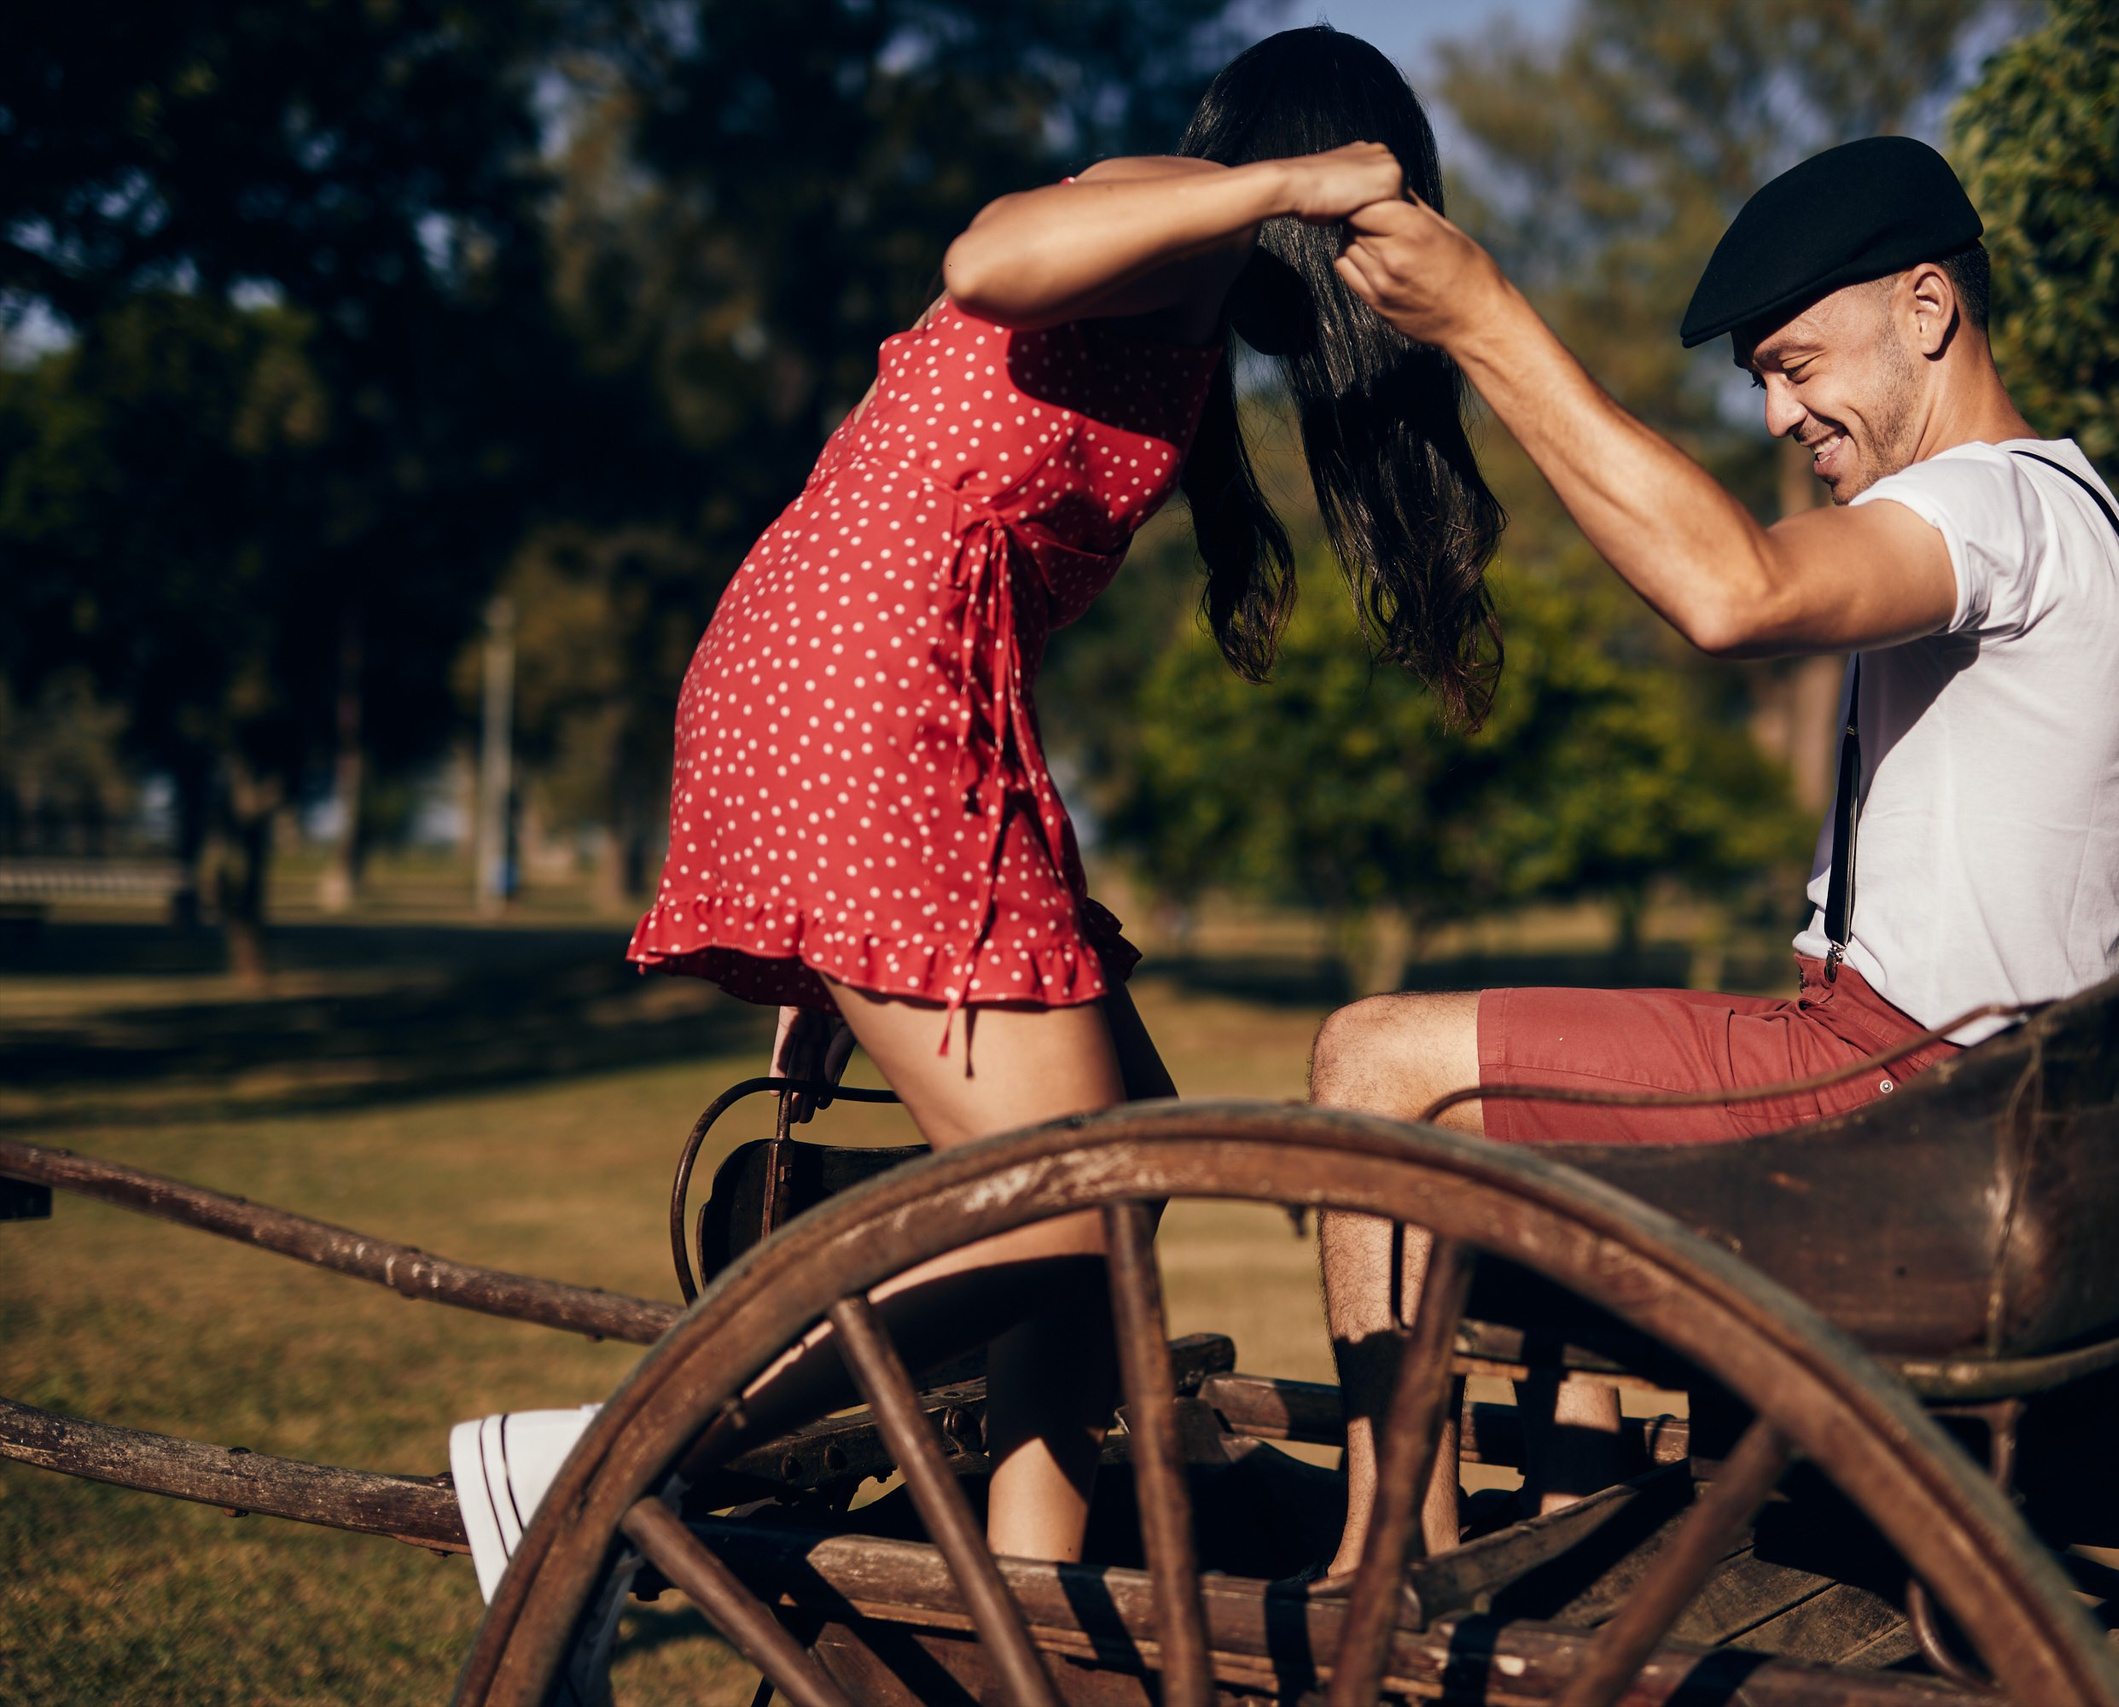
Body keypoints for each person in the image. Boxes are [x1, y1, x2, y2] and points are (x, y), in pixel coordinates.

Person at [449, 23, 1505, 1607]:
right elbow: (989, 255)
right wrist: (1283, 181)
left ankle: (1024, 1604)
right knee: (1067, 1210)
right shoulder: (1173, 209)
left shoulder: (1195, 313)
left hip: (898, 708)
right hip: (862, 702)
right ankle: (603, 1458)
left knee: (1121, 1183)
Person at [1304, 136, 2119, 1576]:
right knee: (1542, 1138)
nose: (1777, 412)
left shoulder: (1977, 505)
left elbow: (1732, 592)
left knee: (1375, 1060)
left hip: (1891, 1096)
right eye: (1762, 378)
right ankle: (1573, 1533)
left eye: (1799, 364)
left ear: (1927, 310)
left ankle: (1384, 1580)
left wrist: (1486, 316)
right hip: (2002, 1094)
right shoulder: (2087, 517)